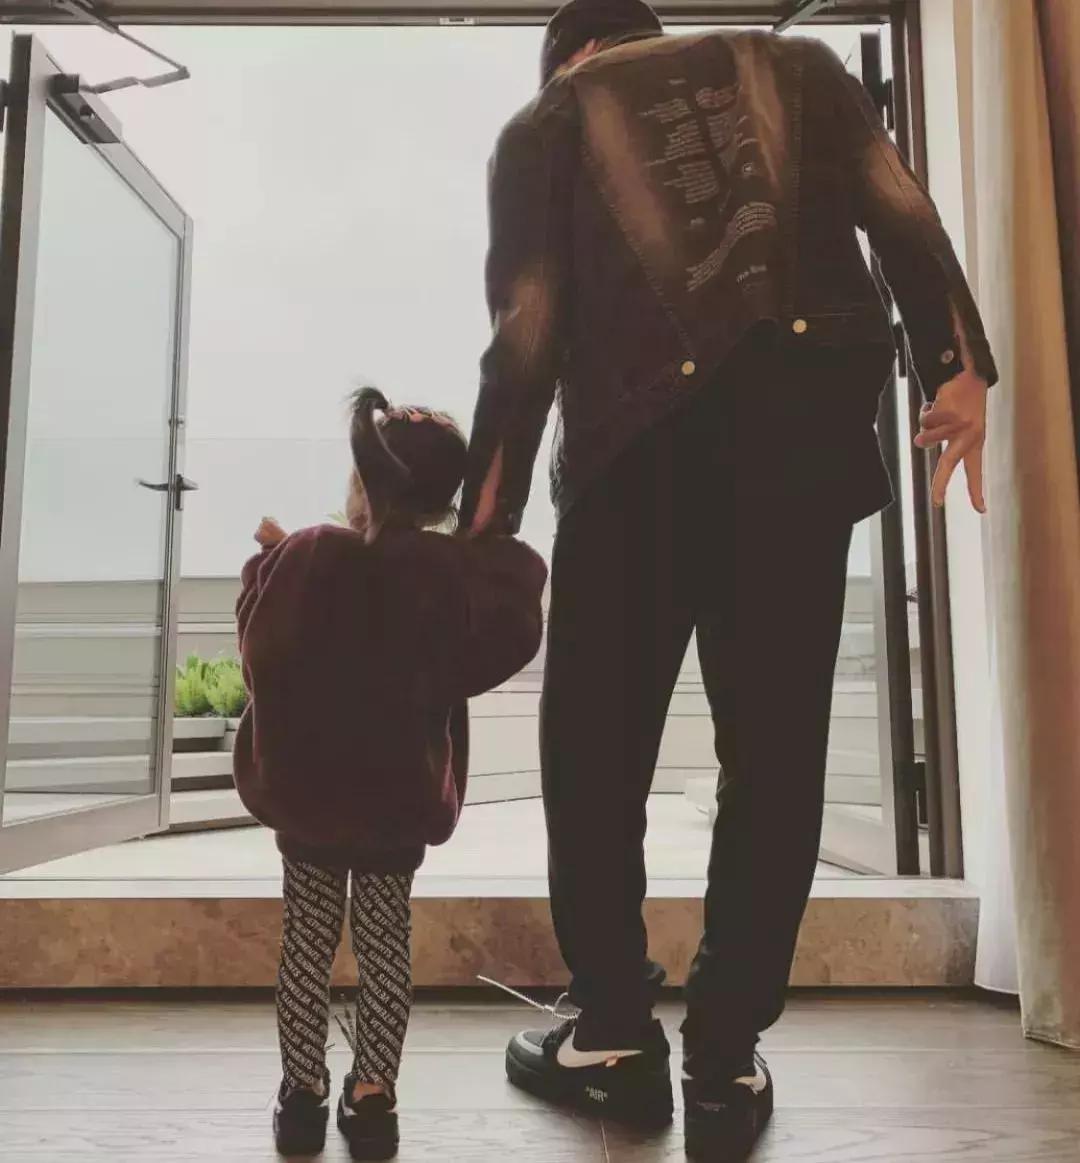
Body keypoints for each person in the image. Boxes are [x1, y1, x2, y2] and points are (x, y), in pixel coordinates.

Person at [460, 3, 995, 1159]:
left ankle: (613, 1030)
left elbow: (528, 331)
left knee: (595, 753)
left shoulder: (548, 121)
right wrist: (954, 366)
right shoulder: (794, 64)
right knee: (777, 751)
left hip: (632, 460)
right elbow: (901, 205)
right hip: (798, 443)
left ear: (567, 56)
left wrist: (484, 524)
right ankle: (724, 1053)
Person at [233, 388, 547, 1160]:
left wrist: (269, 561)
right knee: (384, 944)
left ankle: (302, 1095)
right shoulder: (445, 576)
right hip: (396, 803)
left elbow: (258, 643)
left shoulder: (311, 552)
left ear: (364, 484)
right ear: (446, 500)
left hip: (308, 798)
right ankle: (373, 1096)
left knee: (306, 943)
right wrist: (483, 539)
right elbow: (512, 621)